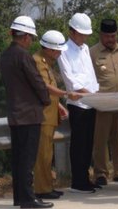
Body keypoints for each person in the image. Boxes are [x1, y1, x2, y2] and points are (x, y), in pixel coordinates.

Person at [0, 16, 53, 208]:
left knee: (19, 159)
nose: (31, 41)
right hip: (29, 114)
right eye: (30, 37)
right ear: (25, 37)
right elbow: (37, 82)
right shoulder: (23, 55)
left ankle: (20, 197)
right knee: (28, 160)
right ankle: (29, 199)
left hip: (15, 114)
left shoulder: (6, 55)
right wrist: (46, 100)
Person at [32, 30, 82, 200]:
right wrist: (67, 94)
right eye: (58, 50)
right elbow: (45, 87)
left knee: (47, 154)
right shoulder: (38, 62)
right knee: (43, 155)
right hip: (43, 115)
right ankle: (42, 189)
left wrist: (59, 104)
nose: (60, 53)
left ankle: (47, 187)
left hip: (50, 112)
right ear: (50, 49)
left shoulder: (45, 61)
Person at [89, 19, 118, 186]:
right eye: (108, 36)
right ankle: (100, 173)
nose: (111, 39)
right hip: (102, 104)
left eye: (114, 35)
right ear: (101, 35)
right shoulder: (92, 53)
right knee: (100, 140)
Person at [57, 13, 100, 194]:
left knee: (89, 142)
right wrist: (86, 93)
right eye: (81, 34)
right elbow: (70, 79)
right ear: (72, 31)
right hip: (78, 103)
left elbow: (90, 74)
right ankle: (78, 180)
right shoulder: (64, 50)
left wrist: (96, 93)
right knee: (79, 143)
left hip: (91, 102)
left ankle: (86, 178)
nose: (84, 38)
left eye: (86, 34)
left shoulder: (85, 48)